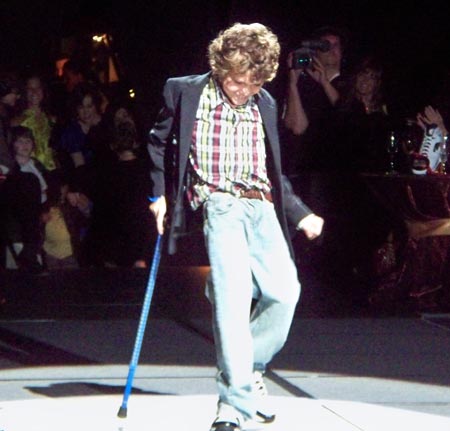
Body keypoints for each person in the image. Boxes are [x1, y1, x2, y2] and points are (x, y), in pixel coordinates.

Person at [147, 23, 323, 431]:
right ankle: (233, 407)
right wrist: (158, 195)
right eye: (235, 81)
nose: (242, 90)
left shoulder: (265, 102)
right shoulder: (185, 92)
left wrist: (300, 213)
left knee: (285, 293)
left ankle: (247, 368)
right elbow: (157, 143)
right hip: (219, 205)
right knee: (233, 298)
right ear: (219, 66)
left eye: (252, 83)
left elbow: (272, 171)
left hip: (262, 205)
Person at [12, 74, 57, 171]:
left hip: (51, 169)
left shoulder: (51, 119)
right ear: (25, 92)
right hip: (29, 169)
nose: (34, 92)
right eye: (30, 88)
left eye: (38, 88)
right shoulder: (17, 121)